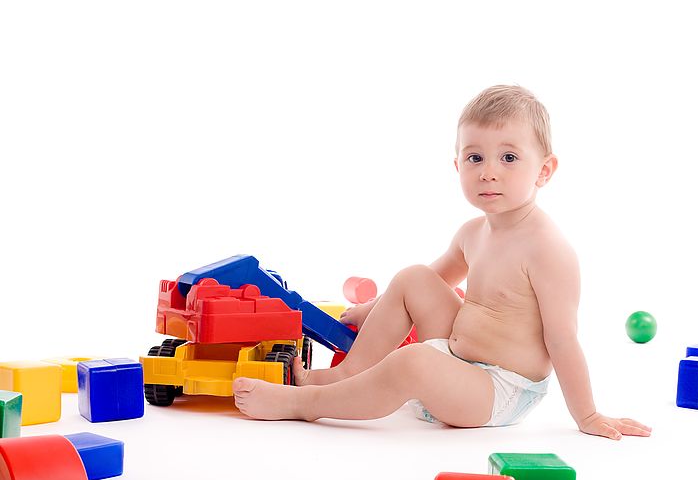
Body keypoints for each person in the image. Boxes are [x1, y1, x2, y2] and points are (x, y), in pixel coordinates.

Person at [233, 85, 651, 440]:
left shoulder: (548, 250)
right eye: (475, 158)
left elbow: (563, 340)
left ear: (544, 171)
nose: (489, 172)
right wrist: (370, 311)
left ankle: (306, 405)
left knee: (411, 360)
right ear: (457, 166)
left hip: (499, 390)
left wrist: (588, 415)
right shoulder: (473, 232)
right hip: (456, 359)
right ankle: (348, 377)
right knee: (415, 276)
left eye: (509, 158)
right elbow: (428, 285)